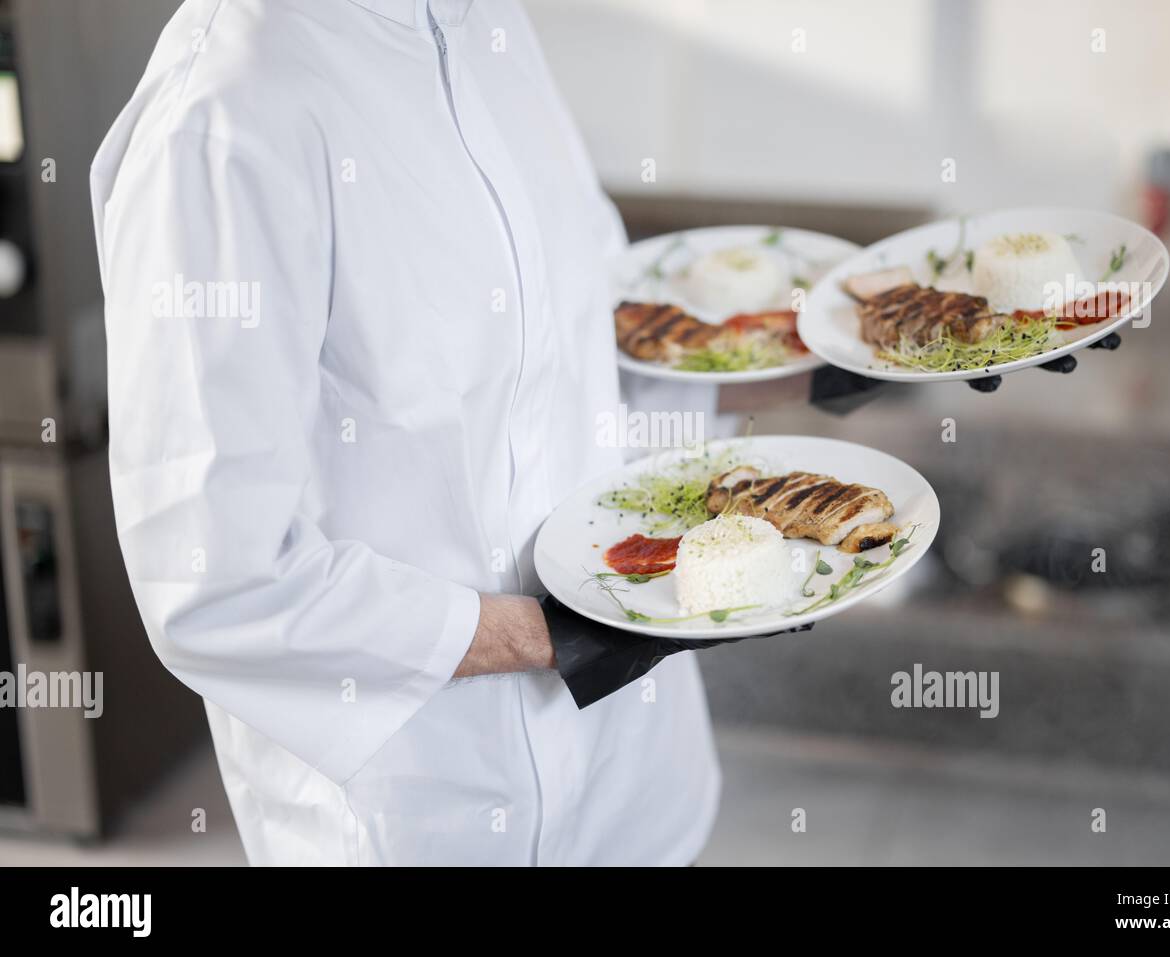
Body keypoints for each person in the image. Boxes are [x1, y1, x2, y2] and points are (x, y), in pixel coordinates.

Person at [91, 0, 723, 866]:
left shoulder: (486, 24)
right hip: (429, 818)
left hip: (635, 793)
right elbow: (214, 578)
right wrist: (559, 634)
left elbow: (589, 347)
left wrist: (816, 363)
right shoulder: (224, 112)